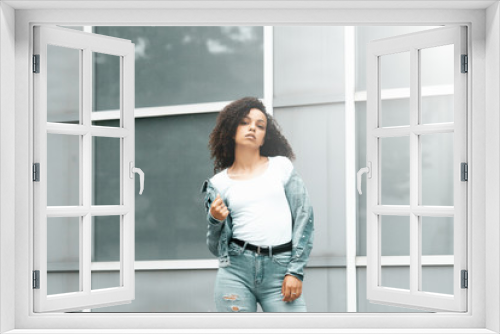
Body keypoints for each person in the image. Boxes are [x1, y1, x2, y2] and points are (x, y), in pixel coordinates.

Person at [200, 97, 314, 312]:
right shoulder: (218, 184)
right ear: (231, 130)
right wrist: (215, 220)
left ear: (264, 137)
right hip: (235, 272)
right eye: (244, 122)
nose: (252, 127)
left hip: (281, 270)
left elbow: (304, 218)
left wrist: (295, 271)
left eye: (260, 126)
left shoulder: (281, 167)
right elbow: (216, 248)